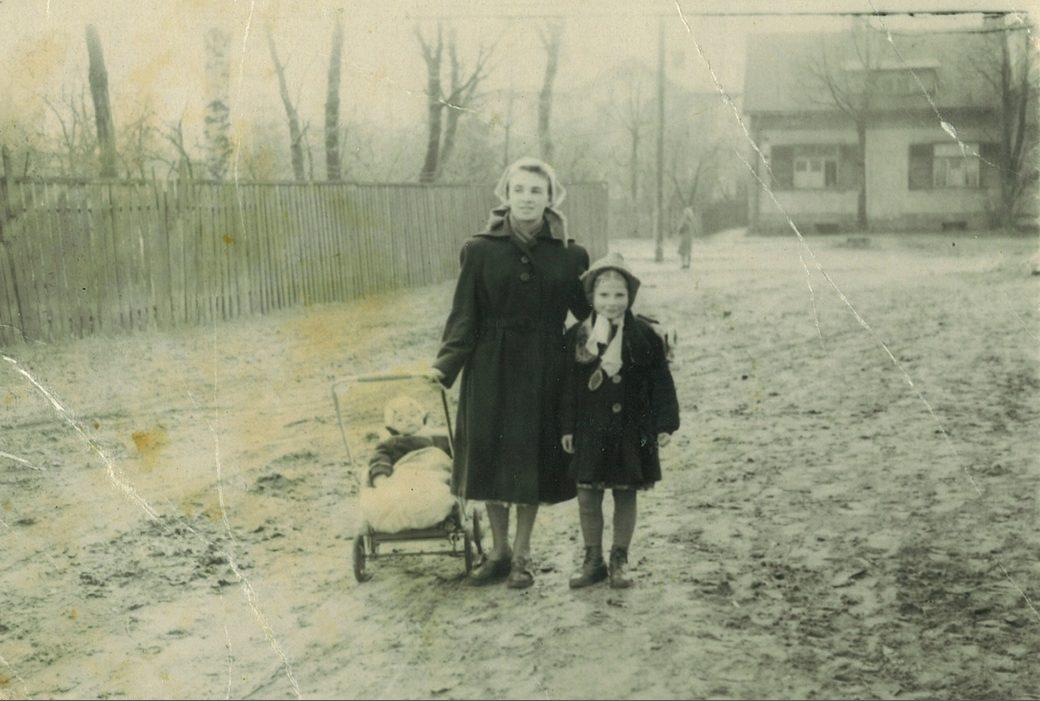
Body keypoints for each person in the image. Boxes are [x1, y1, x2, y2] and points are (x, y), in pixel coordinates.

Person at [428, 157, 592, 589]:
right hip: (489, 366)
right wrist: (444, 366)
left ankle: (522, 555)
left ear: (550, 198)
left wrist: (631, 333)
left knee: (529, 459)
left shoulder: (570, 254)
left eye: (536, 191)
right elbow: (464, 314)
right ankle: (498, 553)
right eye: (519, 190)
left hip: (544, 369)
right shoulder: (479, 249)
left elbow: (590, 312)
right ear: (505, 195)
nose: (527, 198)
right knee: (490, 457)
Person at [560, 252, 680, 589]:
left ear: (630, 296)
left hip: (632, 428)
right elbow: (567, 386)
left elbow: (661, 381)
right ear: (591, 297)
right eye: (604, 295)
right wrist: (567, 426)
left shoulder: (645, 335)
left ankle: (619, 560)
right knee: (588, 495)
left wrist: (664, 424)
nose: (611, 303)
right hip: (590, 429)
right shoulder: (578, 337)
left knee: (626, 493)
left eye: (619, 295)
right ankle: (593, 560)